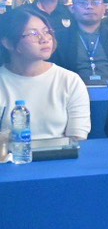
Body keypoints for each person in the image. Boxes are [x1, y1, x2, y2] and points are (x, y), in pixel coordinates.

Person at [0, 8, 90, 141]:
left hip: (60, 152)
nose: (44, 39)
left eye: (46, 32)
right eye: (33, 34)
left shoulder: (69, 80)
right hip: (10, 153)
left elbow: (78, 137)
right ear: (8, 43)